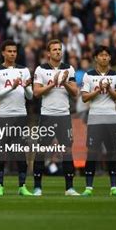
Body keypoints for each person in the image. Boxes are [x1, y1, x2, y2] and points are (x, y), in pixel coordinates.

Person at [33, 39, 80, 196]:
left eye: (59, 49)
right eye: (54, 49)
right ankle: (37, 187)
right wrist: (53, 83)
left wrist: (64, 82)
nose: (58, 52)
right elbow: (36, 92)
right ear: (48, 53)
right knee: (41, 151)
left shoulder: (69, 69)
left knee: (67, 150)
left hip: (63, 116)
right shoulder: (41, 69)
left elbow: (75, 93)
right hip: (47, 115)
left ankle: (69, 188)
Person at [0, 40, 33, 196]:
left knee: (20, 152)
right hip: (4, 116)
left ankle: (22, 186)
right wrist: (11, 87)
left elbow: (30, 96)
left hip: (20, 115)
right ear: (3, 53)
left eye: (14, 51)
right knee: (1, 152)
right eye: (9, 51)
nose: (12, 54)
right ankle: (0, 186)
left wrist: (26, 86)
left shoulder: (24, 70)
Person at [81, 46, 116, 196]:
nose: (104, 57)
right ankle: (88, 188)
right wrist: (98, 90)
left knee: (112, 152)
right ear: (96, 58)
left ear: (110, 58)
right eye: (101, 55)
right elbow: (84, 98)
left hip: (111, 118)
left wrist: (110, 90)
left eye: (106, 55)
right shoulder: (89, 75)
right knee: (92, 153)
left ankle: (114, 187)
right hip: (95, 118)